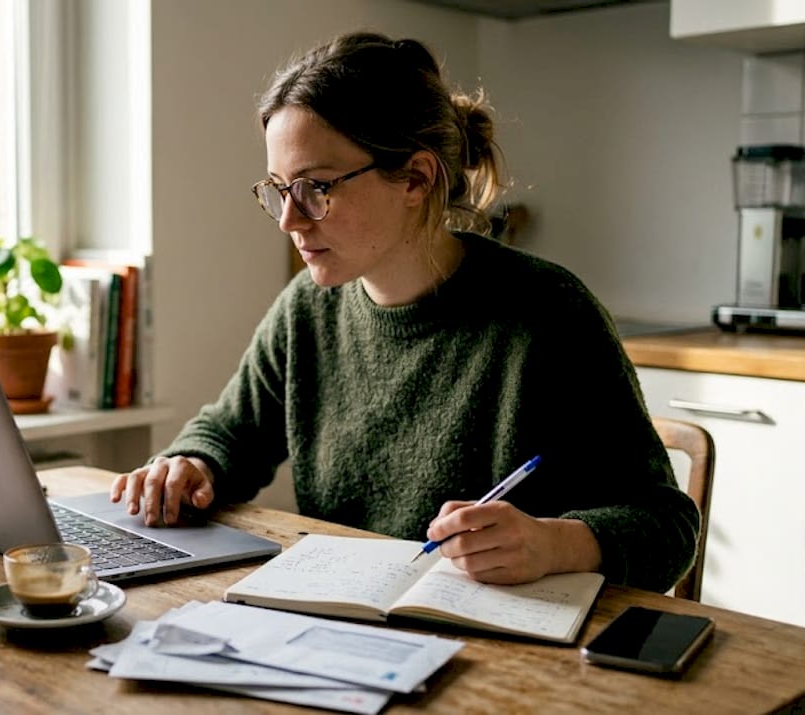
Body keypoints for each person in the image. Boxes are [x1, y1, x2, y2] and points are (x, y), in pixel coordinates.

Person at [109, 31, 698, 593]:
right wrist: (192, 463)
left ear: (416, 177)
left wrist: (554, 544)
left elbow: (666, 525)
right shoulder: (308, 310)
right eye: (278, 189)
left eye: (315, 187)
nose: (289, 219)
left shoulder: (547, 314)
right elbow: (230, 433)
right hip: (347, 633)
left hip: (506, 656)